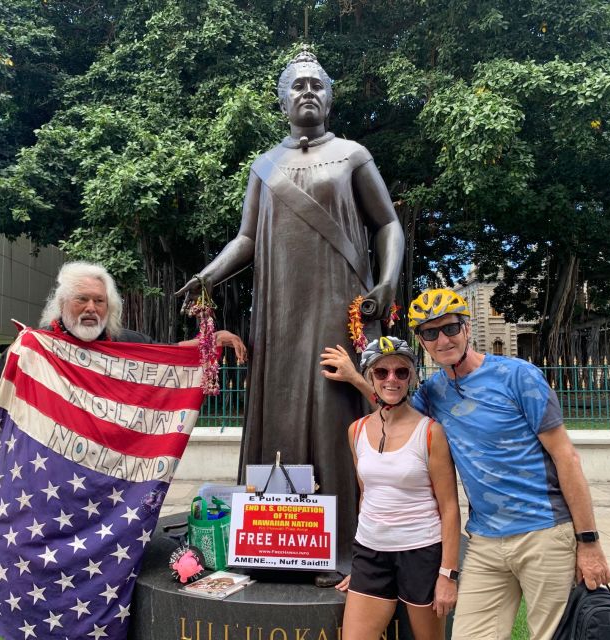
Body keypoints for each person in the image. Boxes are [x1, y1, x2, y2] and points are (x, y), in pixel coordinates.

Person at [177, 49, 404, 579]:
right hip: (279, 309)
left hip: (339, 301)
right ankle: (273, 544)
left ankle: (345, 543)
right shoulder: (264, 165)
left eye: (316, 85)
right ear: (282, 101)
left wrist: (388, 280)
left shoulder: (352, 154)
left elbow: (387, 225)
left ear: (329, 96)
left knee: (332, 407)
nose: (307, 91)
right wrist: (209, 275)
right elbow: (247, 238)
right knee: (276, 409)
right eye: (296, 85)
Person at [322, 288, 610, 640]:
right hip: (486, 538)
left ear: (467, 329)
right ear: (422, 342)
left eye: (450, 328)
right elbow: (393, 405)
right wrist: (357, 376)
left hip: (544, 531)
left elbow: (566, 457)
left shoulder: (518, 376)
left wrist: (589, 541)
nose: (443, 339)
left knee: (549, 634)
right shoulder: (433, 394)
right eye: (430, 333)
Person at [0, 261, 246, 519]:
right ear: (61, 305)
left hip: (104, 492)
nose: (91, 308)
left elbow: (172, 357)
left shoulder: (126, 344)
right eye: (81, 299)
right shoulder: (31, 349)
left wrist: (211, 339)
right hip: (40, 491)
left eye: (99, 301)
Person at [337, 337, 459, 640]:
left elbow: (450, 507)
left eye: (401, 372)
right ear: (370, 377)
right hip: (371, 552)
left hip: (420, 552)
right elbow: (367, 494)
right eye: (382, 373)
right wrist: (362, 567)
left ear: (411, 377)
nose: (392, 379)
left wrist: (447, 574)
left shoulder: (430, 432)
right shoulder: (357, 430)